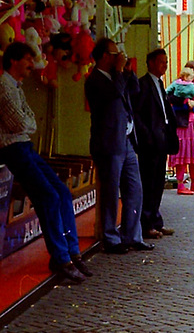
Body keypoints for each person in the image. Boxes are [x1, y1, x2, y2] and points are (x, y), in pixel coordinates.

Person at [0, 42, 91, 282]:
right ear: (13, 61)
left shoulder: (16, 87)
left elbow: (28, 121)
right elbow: (21, 124)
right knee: (49, 196)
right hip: (12, 149)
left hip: (24, 147)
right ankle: (61, 258)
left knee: (62, 192)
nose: (32, 64)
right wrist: (27, 125)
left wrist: (26, 125)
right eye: (28, 59)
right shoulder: (3, 87)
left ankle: (72, 252)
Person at [85, 38, 154, 254]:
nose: (119, 58)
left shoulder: (119, 76)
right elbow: (113, 94)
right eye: (115, 54)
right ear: (105, 56)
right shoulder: (94, 80)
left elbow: (134, 90)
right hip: (108, 144)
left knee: (135, 189)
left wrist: (128, 71)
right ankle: (111, 238)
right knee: (111, 192)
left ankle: (132, 235)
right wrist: (118, 72)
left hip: (126, 141)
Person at [133, 48, 179, 239]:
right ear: (150, 63)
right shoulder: (143, 84)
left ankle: (156, 220)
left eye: (166, 62)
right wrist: (147, 136)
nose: (165, 66)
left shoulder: (160, 84)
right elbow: (137, 114)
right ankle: (146, 224)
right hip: (150, 143)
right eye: (161, 62)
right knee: (148, 183)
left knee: (159, 182)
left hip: (162, 141)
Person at [168, 61, 194, 195]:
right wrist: (185, 102)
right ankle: (180, 184)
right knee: (183, 153)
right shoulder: (177, 84)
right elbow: (169, 98)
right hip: (182, 122)